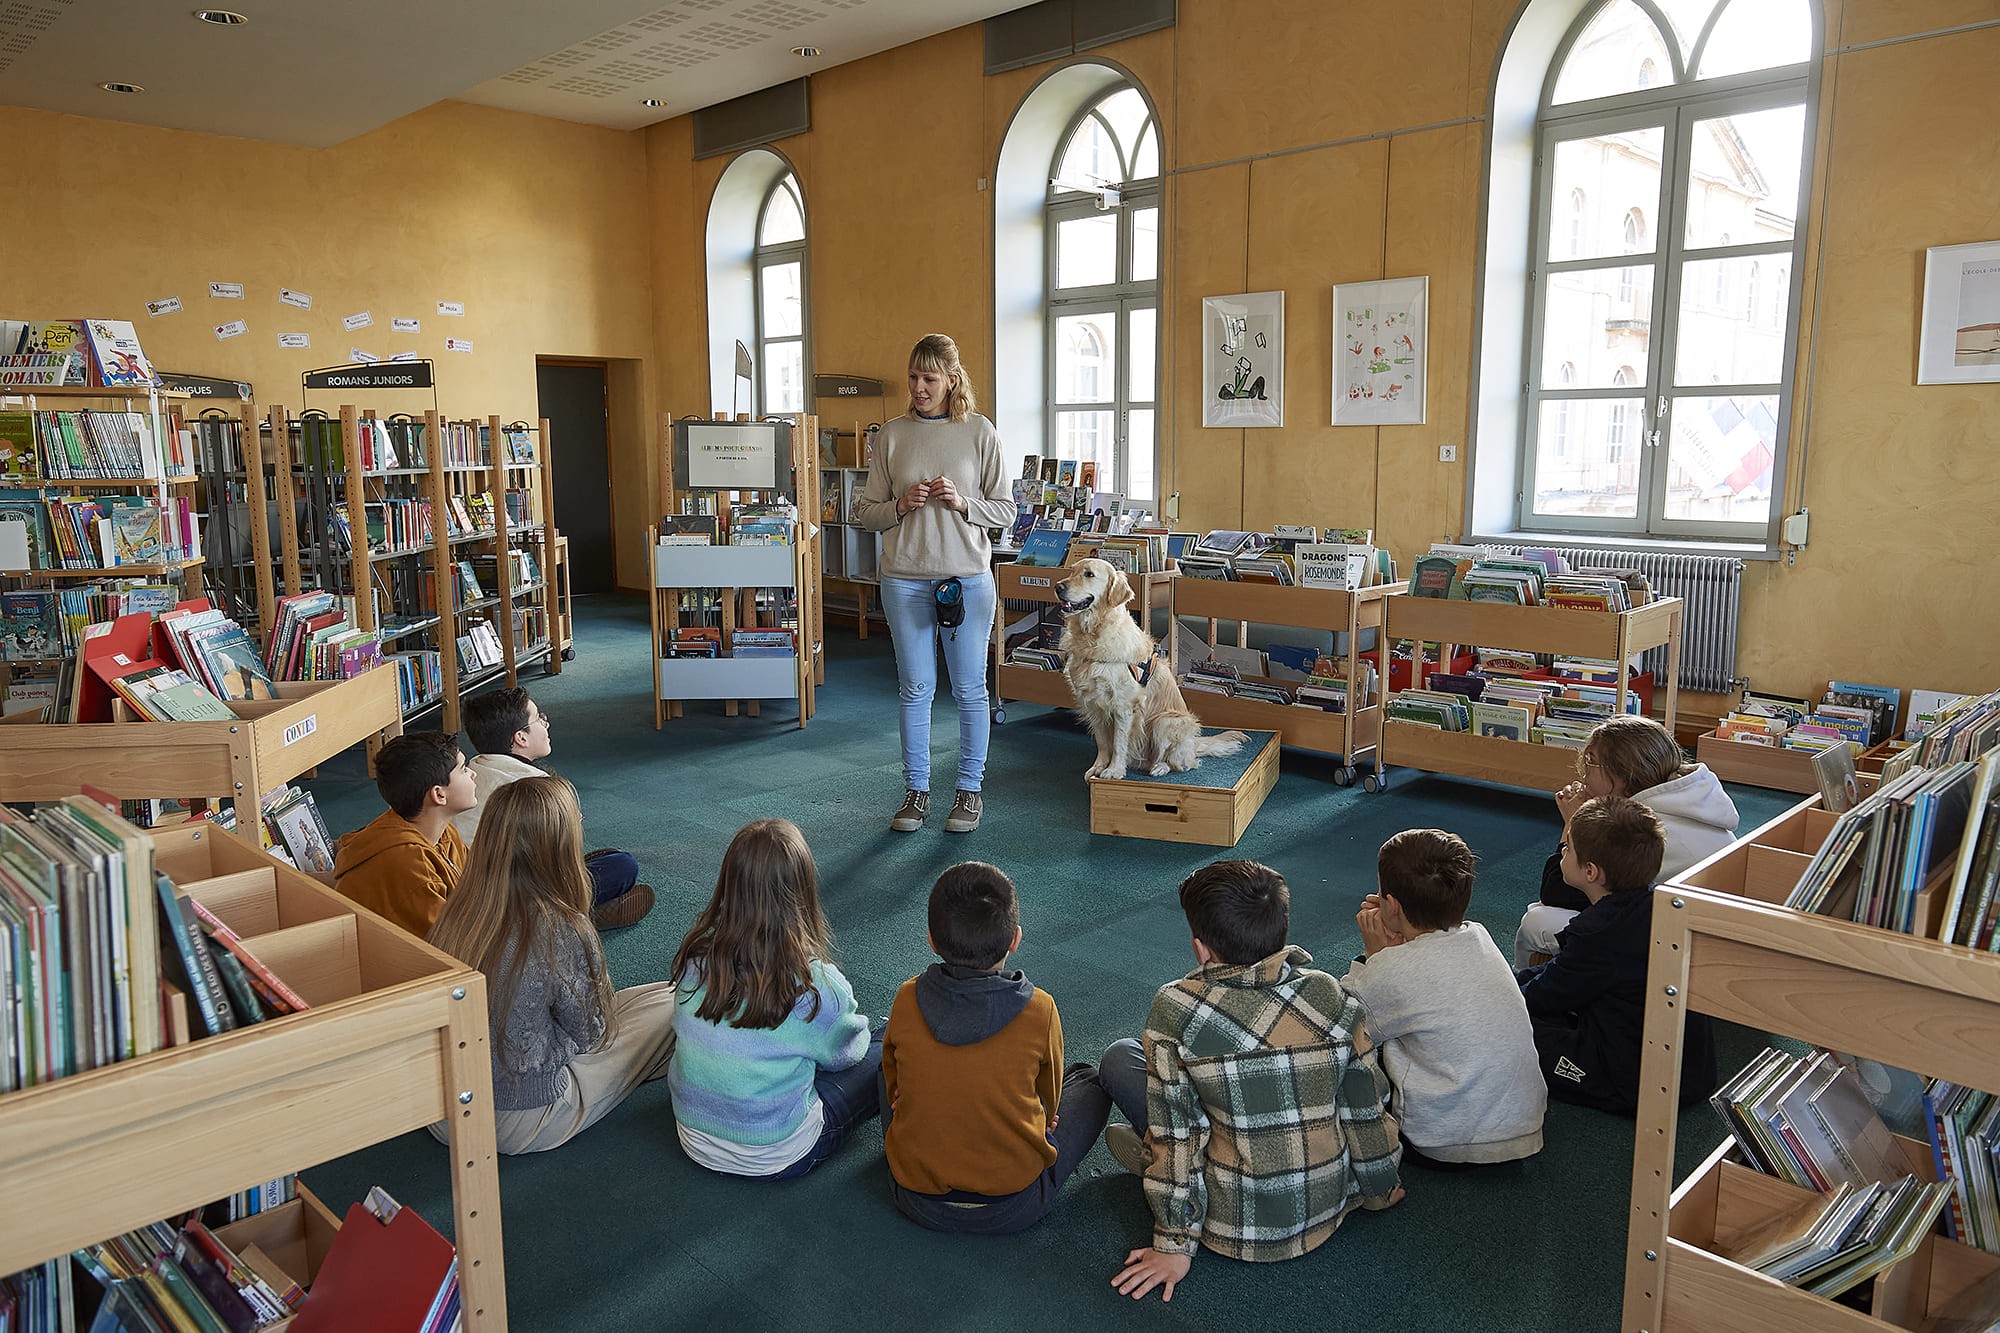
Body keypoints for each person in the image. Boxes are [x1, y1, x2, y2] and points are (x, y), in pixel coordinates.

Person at [1095, 860, 1403, 1303]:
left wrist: (1174, 1246)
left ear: (1201, 950)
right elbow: (1365, 1103)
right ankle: (1148, 1157)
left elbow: (1179, 1132)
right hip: (1327, 1205)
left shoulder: (1176, 1006)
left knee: (1120, 1059)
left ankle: (1149, 1162)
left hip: (1230, 1223)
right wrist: (1380, 1185)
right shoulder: (1329, 993)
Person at [426, 777, 676, 1154]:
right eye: (576, 819)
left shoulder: (460, 910)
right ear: (558, 844)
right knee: (680, 1006)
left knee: (660, 994)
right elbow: (595, 1034)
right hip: (523, 1116)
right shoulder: (560, 926)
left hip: (446, 1111)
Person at [881, 862, 1110, 1234]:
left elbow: (893, 1088)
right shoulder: (1041, 1008)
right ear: (1015, 939)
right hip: (1013, 1205)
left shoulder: (907, 998)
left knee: (889, 1057)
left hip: (913, 1196)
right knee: (1089, 1080)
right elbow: (1048, 1102)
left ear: (932, 942)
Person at [848, 333, 1017, 835]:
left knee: (969, 688)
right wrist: (899, 506)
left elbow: (1006, 510)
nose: (919, 388)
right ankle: (916, 792)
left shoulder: (980, 432)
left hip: (965, 579)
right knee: (916, 688)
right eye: (913, 378)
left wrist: (965, 503)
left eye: (929, 378)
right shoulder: (892, 435)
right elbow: (864, 514)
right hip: (903, 580)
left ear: (951, 379)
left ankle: (968, 792)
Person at [665, 818, 881, 1179]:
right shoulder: (818, 985)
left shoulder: (695, 958)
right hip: (777, 1153)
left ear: (728, 885)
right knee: (885, 1043)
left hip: (692, 1137)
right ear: (803, 890)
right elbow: (847, 1055)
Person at [1342, 830, 1545, 1166]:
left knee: (1357, 1055)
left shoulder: (1392, 971)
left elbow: (1342, 1017)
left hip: (1442, 1141)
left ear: (1391, 905)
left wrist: (1372, 955)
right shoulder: (1479, 935)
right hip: (1525, 1126)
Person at [1515, 797, 1716, 1114]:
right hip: (1690, 1073)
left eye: (1567, 849)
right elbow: (1561, 972)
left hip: (1637, 1084)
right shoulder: (1655, 905)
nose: (1562, 853)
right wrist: (1511, 980)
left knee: (1511, 1029)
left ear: (1591, 871)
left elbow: (1540, 997)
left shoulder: (1597, 935)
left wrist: (1496, 994)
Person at [1514, 715, 1738, 967]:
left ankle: (1524, 999)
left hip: (1677, 949)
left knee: (1536, 921)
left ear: (1625, 775)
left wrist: (1574, 823)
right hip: (1697, 929)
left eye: (1591, 763)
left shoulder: (1637, 827)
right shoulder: (1687, 795)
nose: (1584, 778)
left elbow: (1558, 891)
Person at [451, 686, 654, 931]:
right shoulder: (538, 787)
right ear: (520, 738)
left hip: (471, 890)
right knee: (622, 866)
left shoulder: (475, 769)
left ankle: (573, 914)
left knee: (607, 857)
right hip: (512, 900)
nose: (546, 724)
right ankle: (567, 918)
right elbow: (558, 855)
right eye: (539, 718)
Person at [332, 730, 475, 938]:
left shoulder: (443, 831)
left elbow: (475, 882)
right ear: (438, 794)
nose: (473, 774)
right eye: (463, 770)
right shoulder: (408, 862)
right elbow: (450, 941)